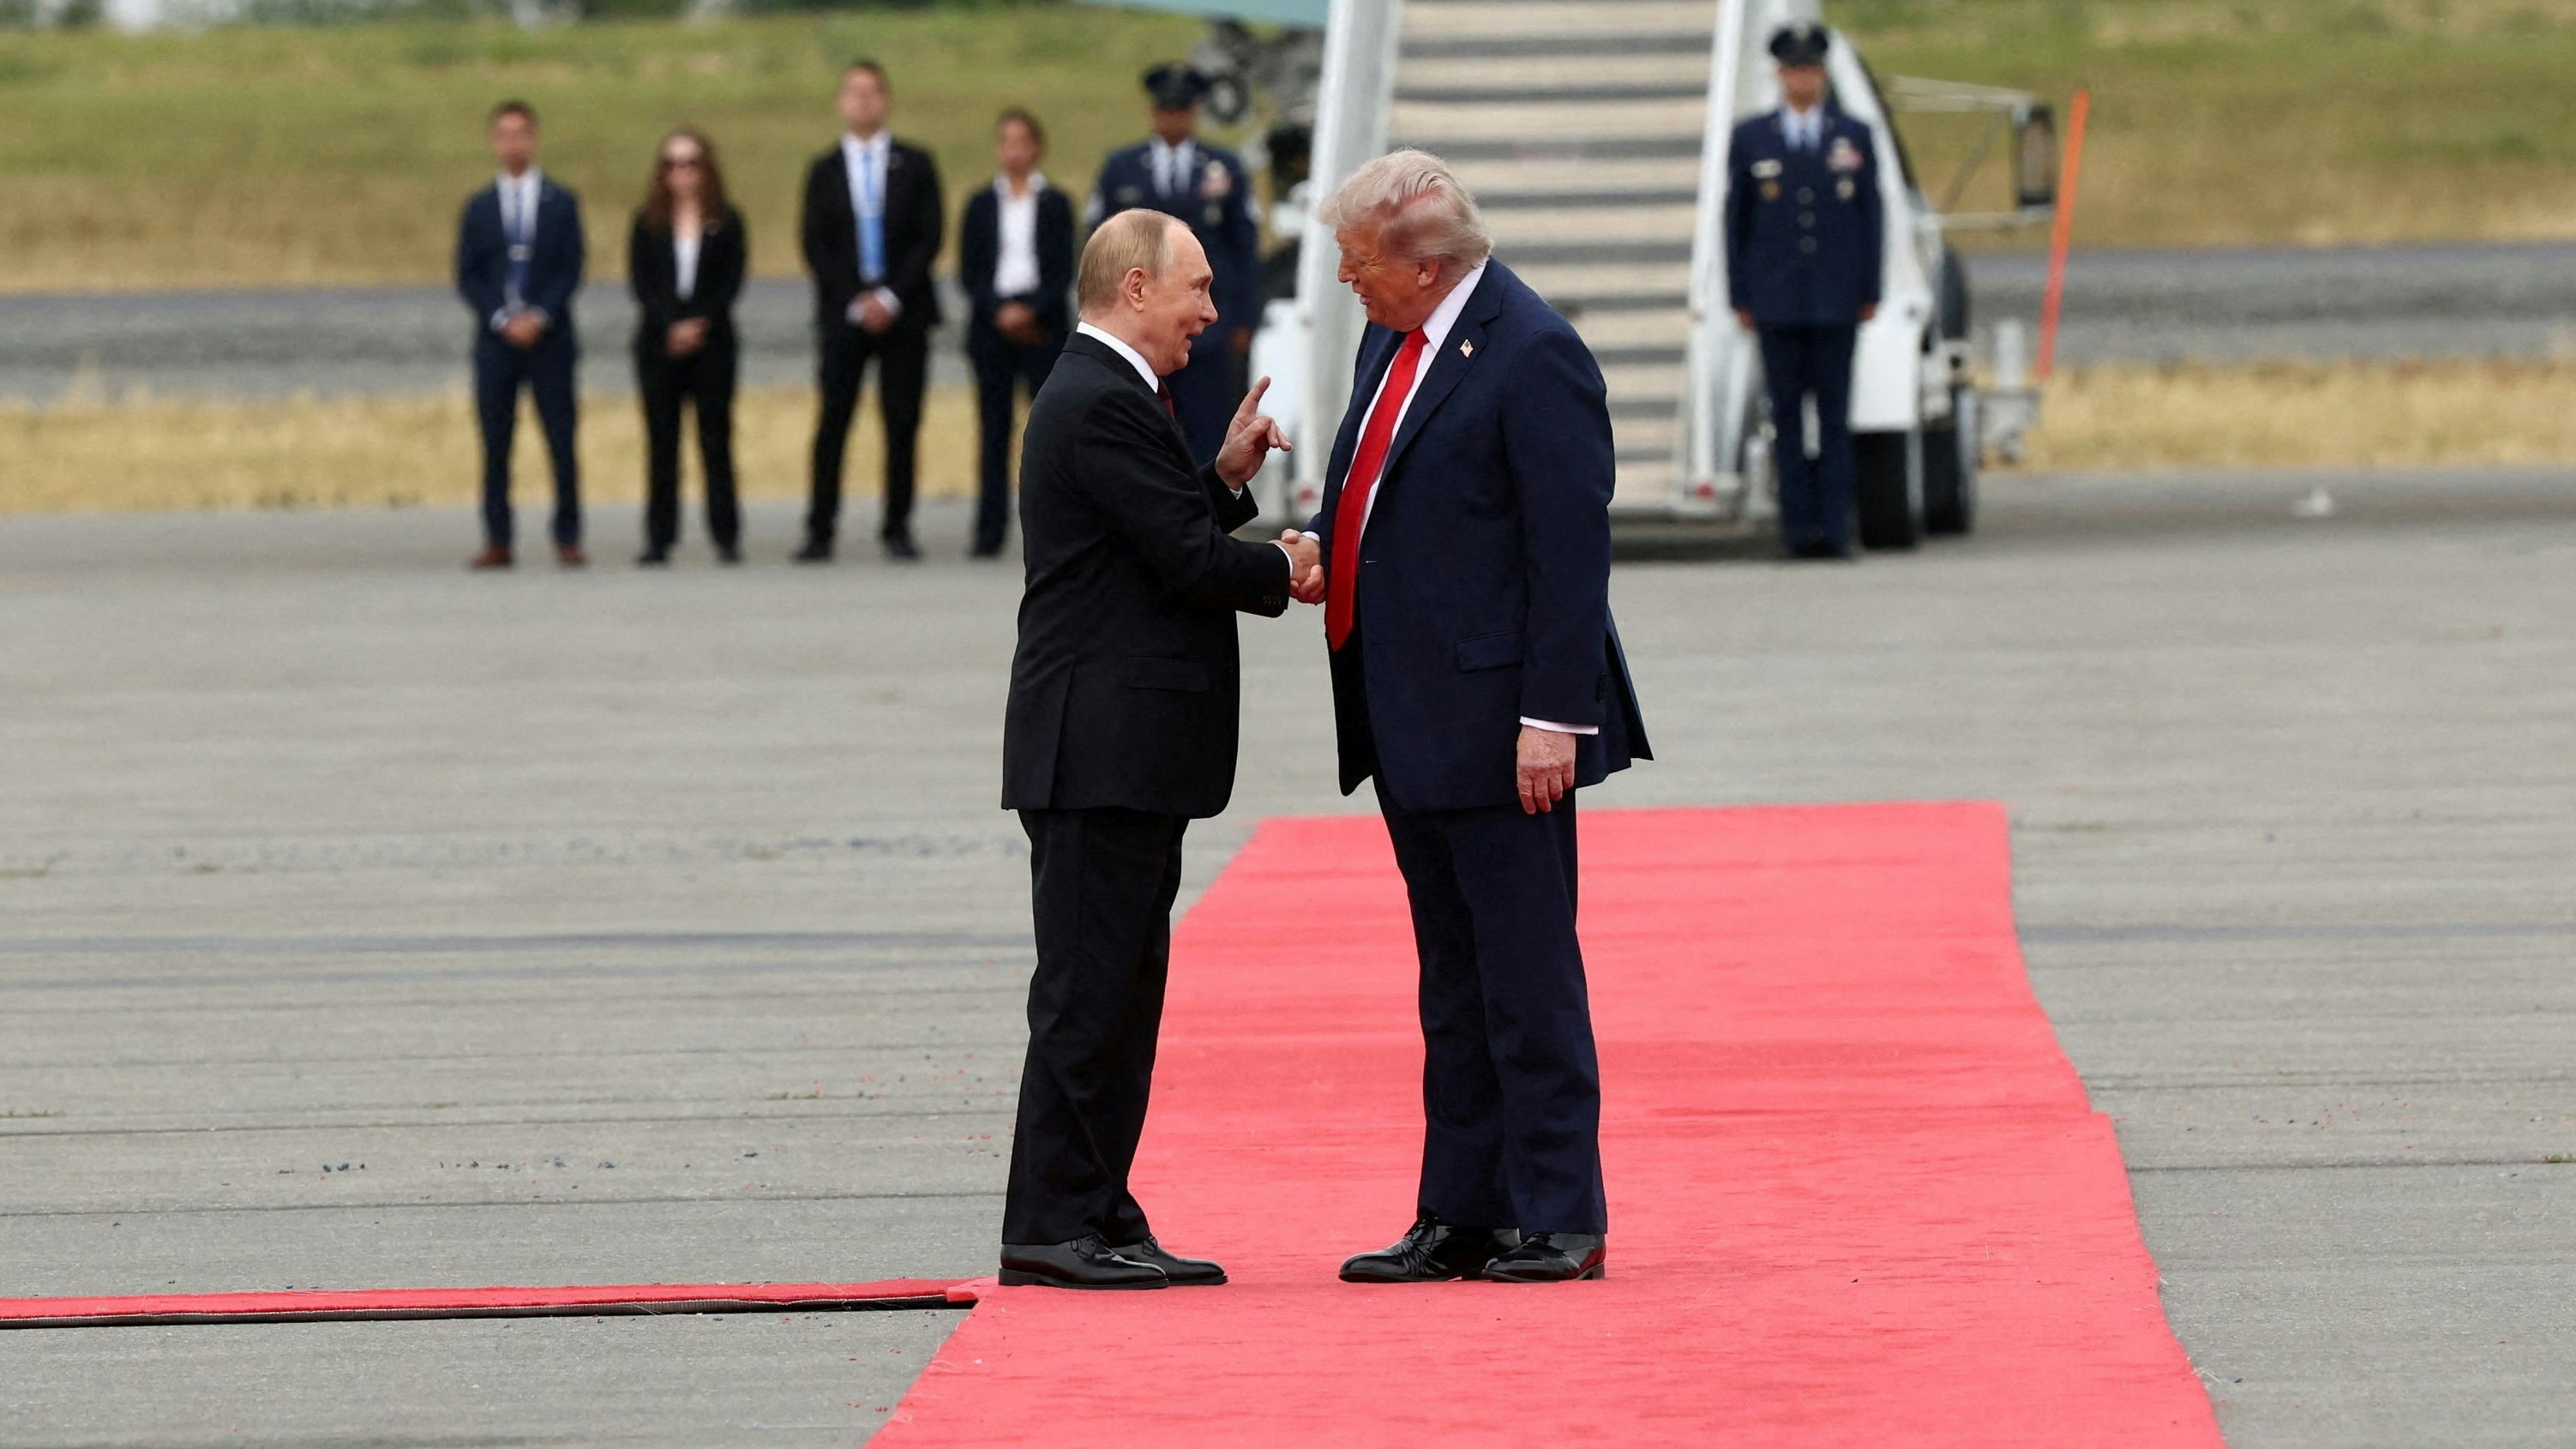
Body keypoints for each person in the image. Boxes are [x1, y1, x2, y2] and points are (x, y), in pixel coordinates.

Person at [1291, 151, 1650, 1286]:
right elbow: (1386, 491)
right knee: (1451, 977)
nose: (1345, 277)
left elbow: (1568, 554)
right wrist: (1313, 537)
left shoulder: (1534, 353)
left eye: (1356, 259)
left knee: (1526, 975)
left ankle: (1558, 1210)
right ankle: (1461, 1206)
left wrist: (1554, 716)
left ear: (1425, 261)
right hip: (1406, 714)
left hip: (1505, 722)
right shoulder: (1390, 337)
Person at [996, 208, 1319, 1290]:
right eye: (1198, 288)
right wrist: (1286, 566)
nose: (1210, 313)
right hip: (1097, 748)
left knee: (1124, 990)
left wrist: (1222, 479)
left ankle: (1098, 1204)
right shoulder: (1096, 397)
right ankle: (1050, 1221)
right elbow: (1183, 562)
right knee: (1089, 991)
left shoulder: (1113, 395)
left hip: (1120, 748)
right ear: (1135, 288)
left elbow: (1155, 533)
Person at [1726, 21, 1884, 560]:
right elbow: (1737, 221)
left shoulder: (1852, 135)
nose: (1803, 78)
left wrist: (1870, 287)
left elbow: (1871, 217)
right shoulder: (1753, 138)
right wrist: (1740, 294)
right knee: (1787, 418)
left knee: (1835, 418)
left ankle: (1836, 529)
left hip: (1837, 298)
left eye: (1811, 68)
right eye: (1794, 69)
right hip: (1776, 300)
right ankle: (1796, 529)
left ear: (1822, 73)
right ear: (1780, 74)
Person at [798, 59, 946, 562]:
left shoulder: (915, 163)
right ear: (841, 102)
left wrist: (889, 297)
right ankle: (820, 529)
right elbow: (814, 242)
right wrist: (853, 299)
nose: (863, 101)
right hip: (843, 312)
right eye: (853, 93)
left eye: (872, 92)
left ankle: (898, 526)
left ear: (886, 100)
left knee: (902, 421)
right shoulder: (824, 169)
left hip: (903, 312)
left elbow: (929, 236)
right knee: (833, 421)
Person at [1086, 64, 1261, 464]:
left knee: (1207, 434)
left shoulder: (1224, 167)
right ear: (1154, 111)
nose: (1173, 117)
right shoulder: (1122, 168)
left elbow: (1245, 247)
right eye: (1166, 109)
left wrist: (1244, 319)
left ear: (1194, 112)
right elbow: (1102, 249)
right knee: (1141, 436)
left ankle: (1207, 519)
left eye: (1181, 109)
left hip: (1209, 325)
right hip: (1140, 326)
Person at [454, 99, 586, 570]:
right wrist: (501, 318)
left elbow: (572, 267)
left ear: (534, 138)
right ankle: (498, 537)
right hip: (496, 341)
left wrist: (541, 315)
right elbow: (468, 274)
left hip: (549, 339)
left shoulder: (561, 202)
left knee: (561, 436)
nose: (513, 143)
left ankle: (568, 534)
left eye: (521, 134)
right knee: (495, 440)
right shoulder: (479, 206)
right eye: (504, 135)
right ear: (494, 142)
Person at [958, 108, 1076, 560]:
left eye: (1022, 141)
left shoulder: (1055, 203)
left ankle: (1054, 529)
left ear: (1037, 146)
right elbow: (970, 270)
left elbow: (1063, 268)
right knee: (992, 428)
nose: (1014, 150)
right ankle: (988, 530)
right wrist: (1000, 310)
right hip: (992, 325)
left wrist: (1031, 311)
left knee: (1048, 431)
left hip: (1041, 325)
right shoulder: (981, 203)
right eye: (1006, 141)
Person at [627, 128, 747, 567]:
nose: (682, 173)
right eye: (672, 164)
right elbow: (641, 283)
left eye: (691, 163)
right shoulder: (647, 223)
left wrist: (700, 322)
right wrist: (671, 325)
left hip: (712, 344)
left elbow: (731, 281)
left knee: (716, 440)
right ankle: (659, 537)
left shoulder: (727, 221)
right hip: (659, 346)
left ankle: (726, 534)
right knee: (662, 443)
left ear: (706, 168)